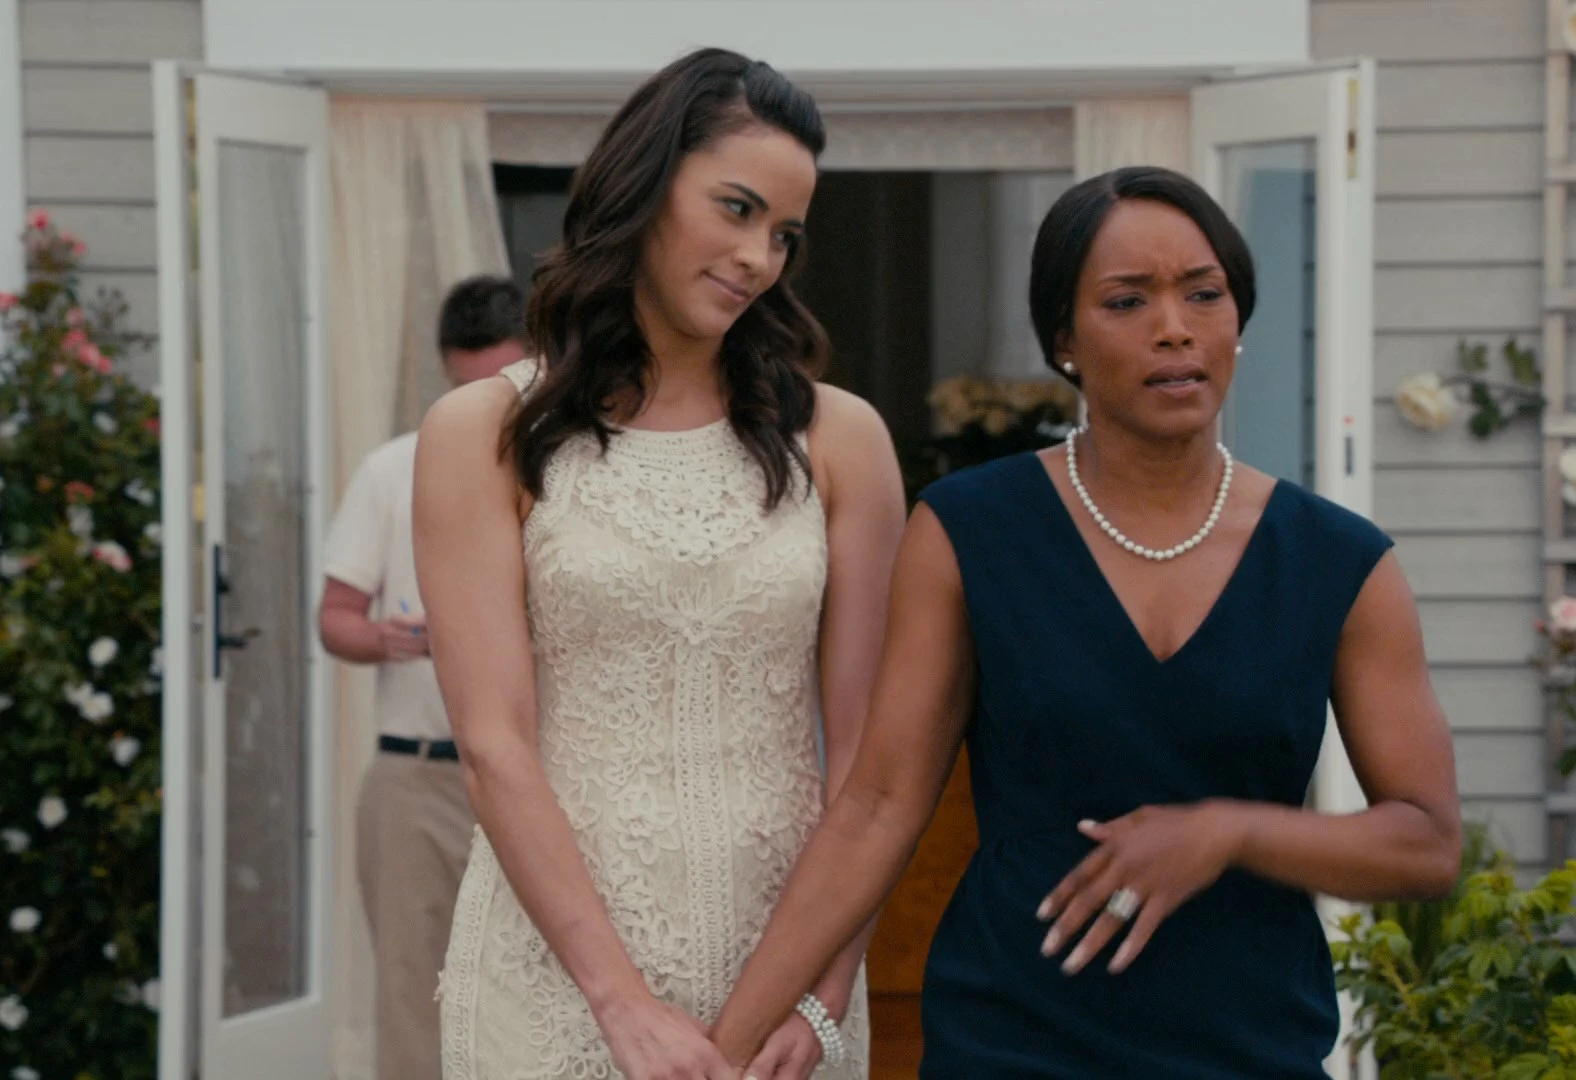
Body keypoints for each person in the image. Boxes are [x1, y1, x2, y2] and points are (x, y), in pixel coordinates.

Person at [708, 166, 1465, 1078]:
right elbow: (877, 807)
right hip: (1009, 1038)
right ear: (1063, 339)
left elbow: (1426, 843)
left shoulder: (1339, 561)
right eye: (1127, 300)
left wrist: (1228, 833)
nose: (1174, 327)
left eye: (1203, 293)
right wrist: (729, 1042)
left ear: (1238, 318)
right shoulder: (969, 530)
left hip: (1249, 1045)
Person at [414, 48, 903, 1080]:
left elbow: (870, 771)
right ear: (644, 183)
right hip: (560, 984)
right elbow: (495, 746)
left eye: (784, 234)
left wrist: (826, 992)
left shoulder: (842, 439)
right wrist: (621, 1005)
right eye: (736, 208)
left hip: (788, 987)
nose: (759, 257)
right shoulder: (481, 433)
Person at [317, 274, 530, 1079]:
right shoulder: (390, 470)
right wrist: (385, 639)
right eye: (464, 389)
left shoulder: (576, 463)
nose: (482, 410)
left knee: (537, 1006)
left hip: (546, 778)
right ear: (445, 371)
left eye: (499, 388)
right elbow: (334, 616)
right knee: (414, 1002)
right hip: (420, 781)